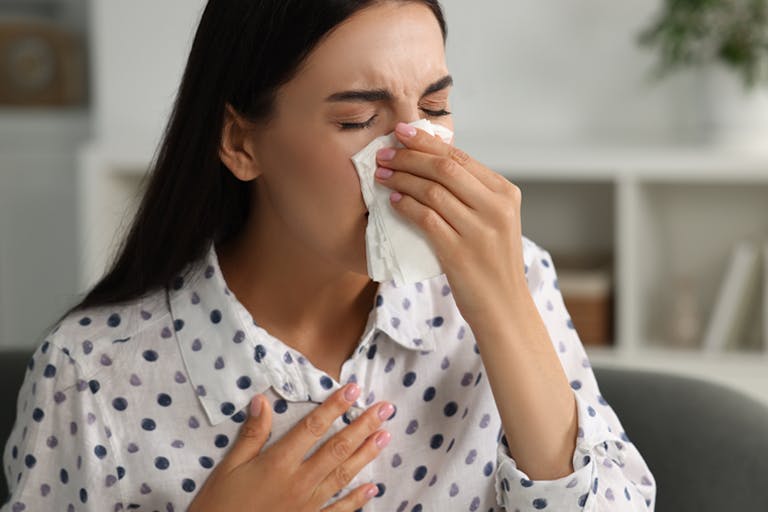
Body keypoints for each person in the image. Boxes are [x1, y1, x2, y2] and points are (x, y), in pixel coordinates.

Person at [1, 1, 657, 510]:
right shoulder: (92, 375)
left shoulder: (517, 280)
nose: (414, 155)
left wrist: (505, 308)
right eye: (356, 121)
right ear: (240, 142)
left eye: (434, 107)